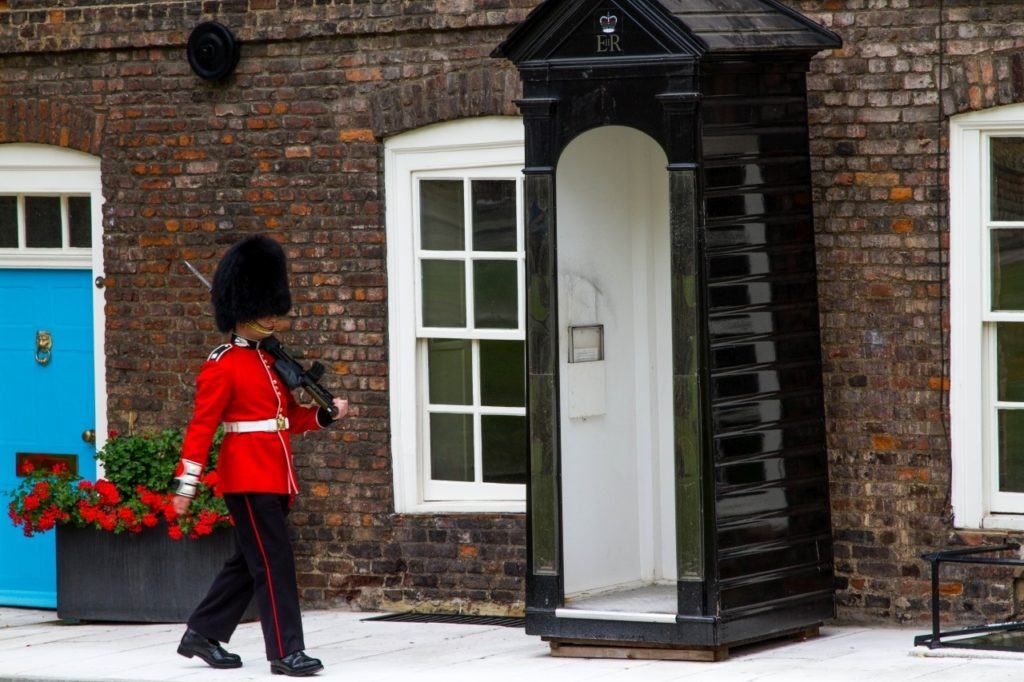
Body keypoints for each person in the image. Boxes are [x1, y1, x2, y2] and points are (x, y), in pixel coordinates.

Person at [172, 235, 347, 677]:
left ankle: (202, 633)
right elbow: (201, 427)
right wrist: (187, 484)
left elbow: (286, 417)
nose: (273, 317)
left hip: (276, 472)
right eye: (265, 309)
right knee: (275, 563)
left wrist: (325, 416)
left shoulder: (270, 362)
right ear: (242, 311)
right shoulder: (222, 363)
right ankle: (286, 652)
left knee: (250, 561)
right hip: (247, 476)